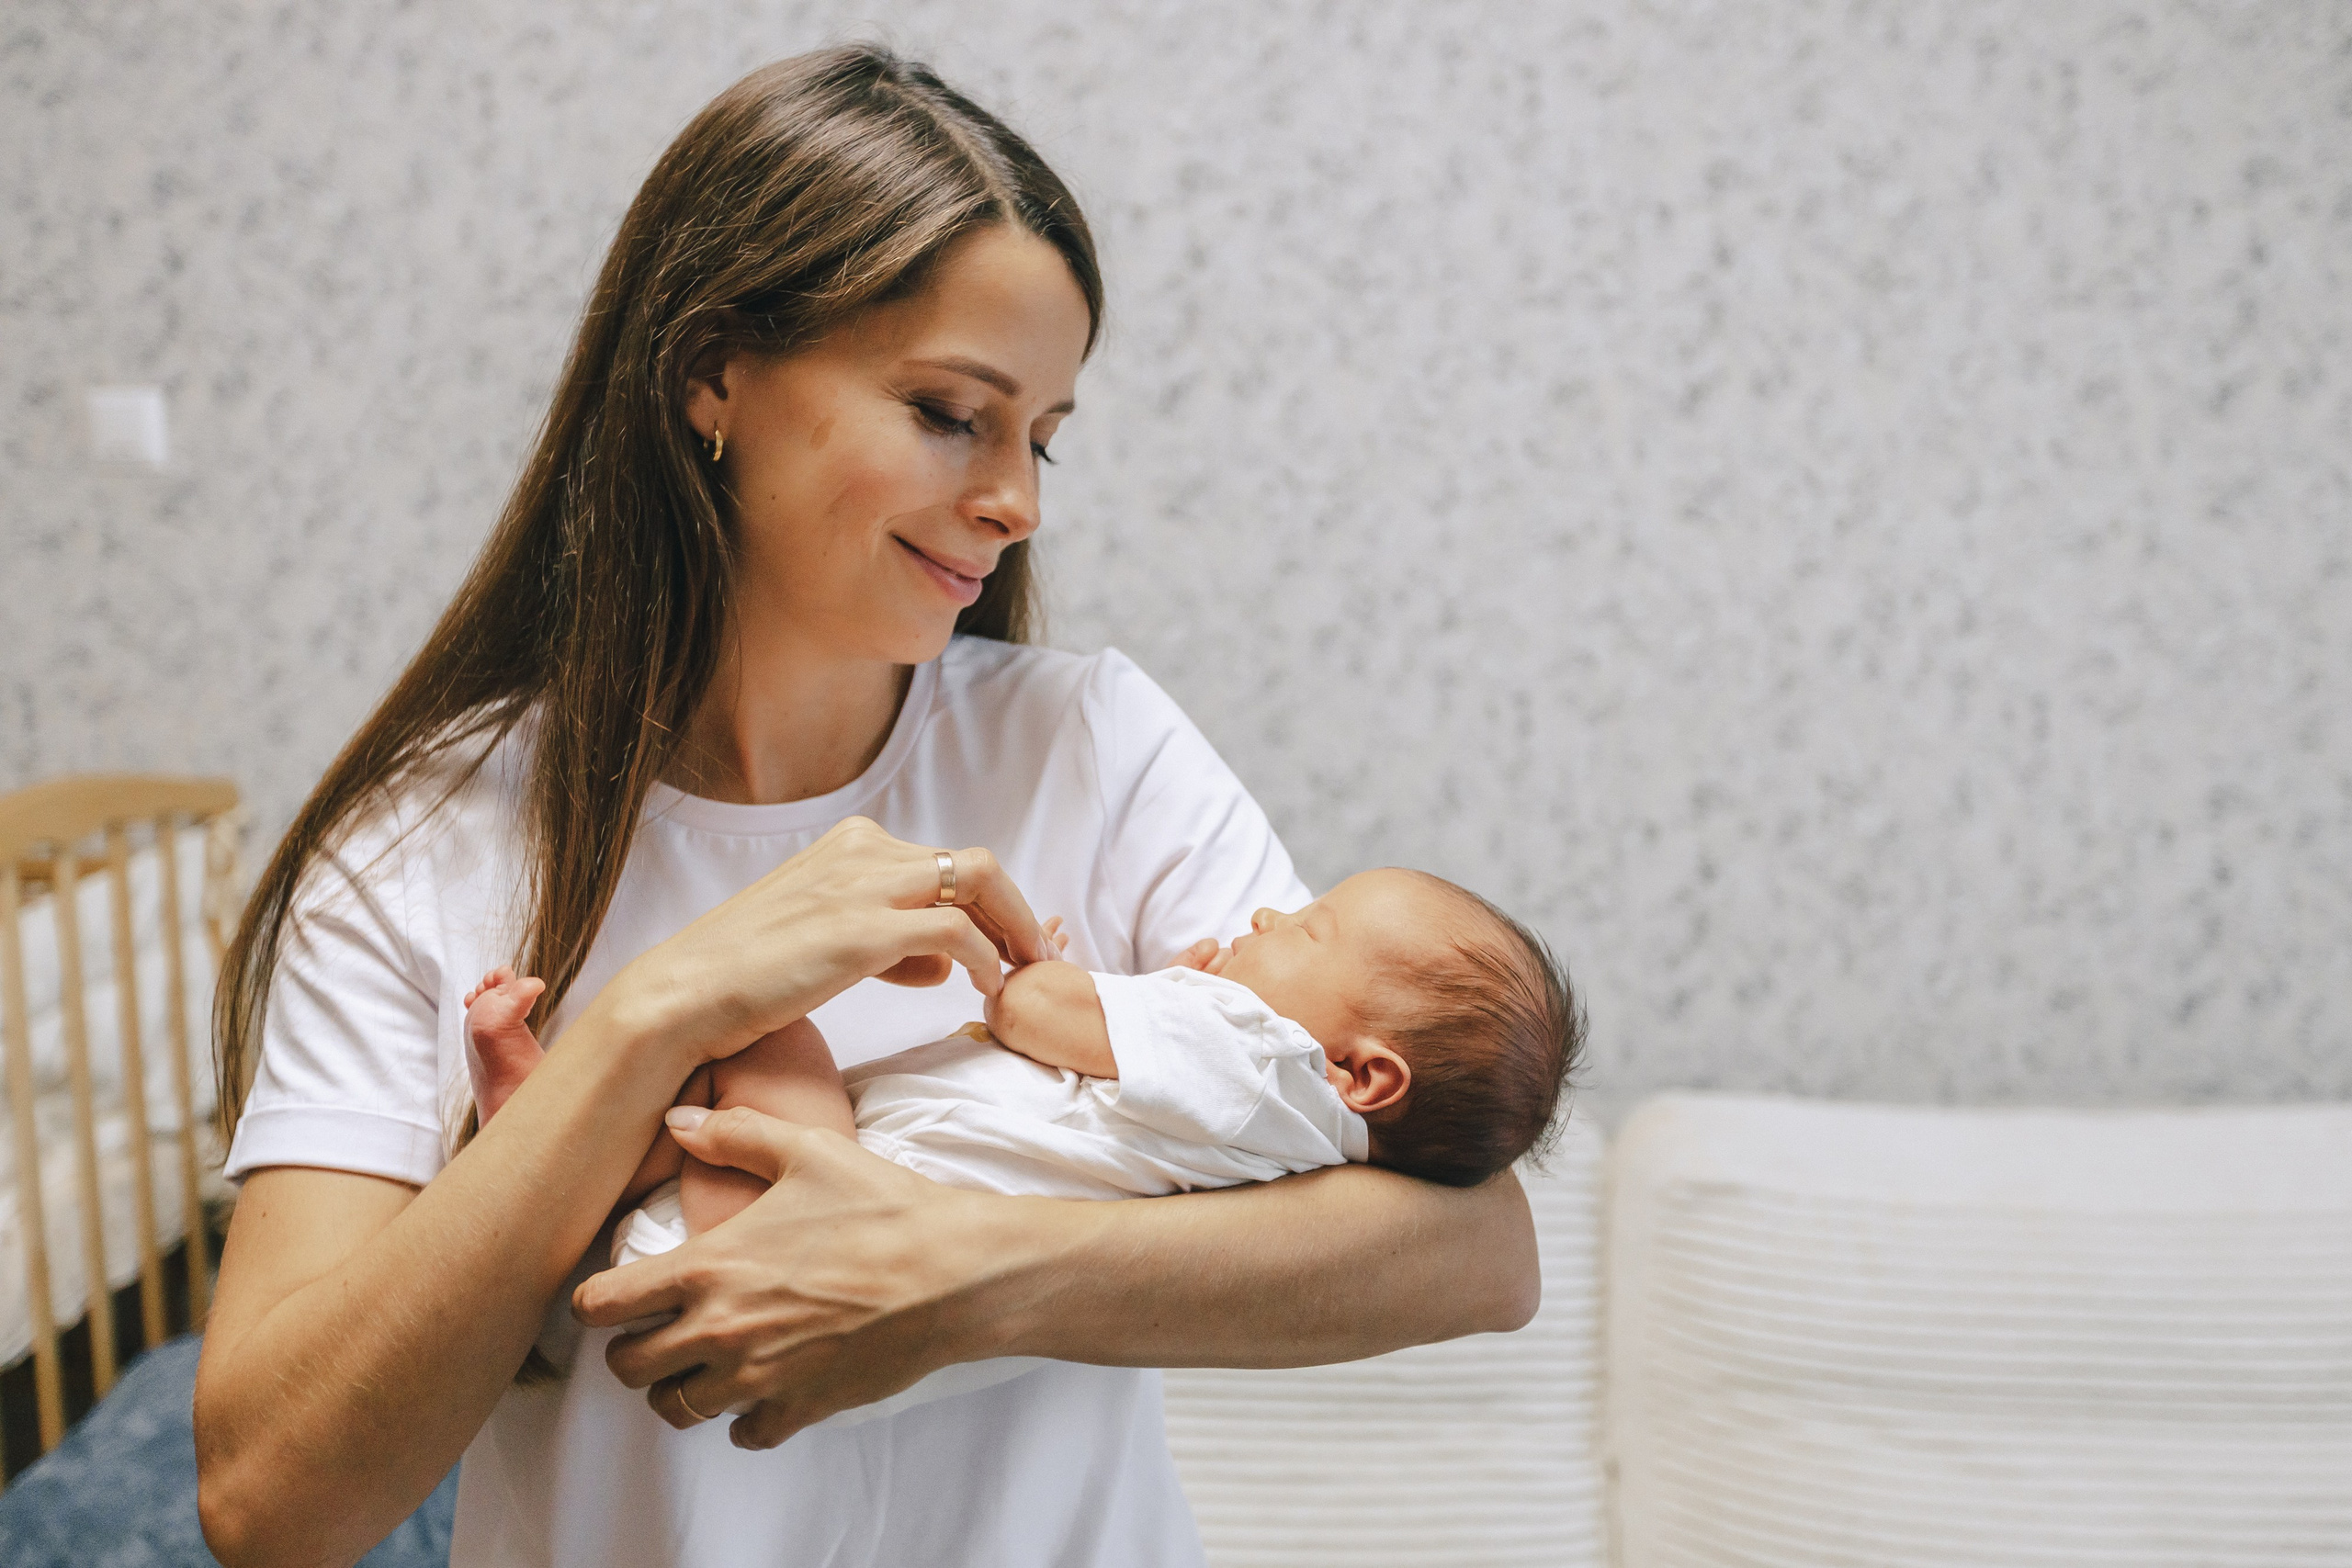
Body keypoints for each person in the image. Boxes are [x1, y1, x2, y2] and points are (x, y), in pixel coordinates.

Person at [192, 44, 1542, 1568]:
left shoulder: (1091, 744)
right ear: (713, 372)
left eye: (1042, 433)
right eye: (951, 411)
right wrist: (649, 1025)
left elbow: (1475, 1253)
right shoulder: (420, 844)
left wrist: (948, 1278)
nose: (1018, 498)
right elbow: (268, 1504)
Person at [460, 867, 1581, 1265]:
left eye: (1309, 931)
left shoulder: (1248, 1057)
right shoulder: (1291, 1137)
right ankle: (559, 1139)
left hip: (792, 1218)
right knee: (723, 1095)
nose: (1273, 909)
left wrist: (1033, 976)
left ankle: (549, 1123)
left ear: (1363, 1076)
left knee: (767, 1024)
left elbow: (1040, 1013)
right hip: (784, 1227)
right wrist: (1157, 1000)